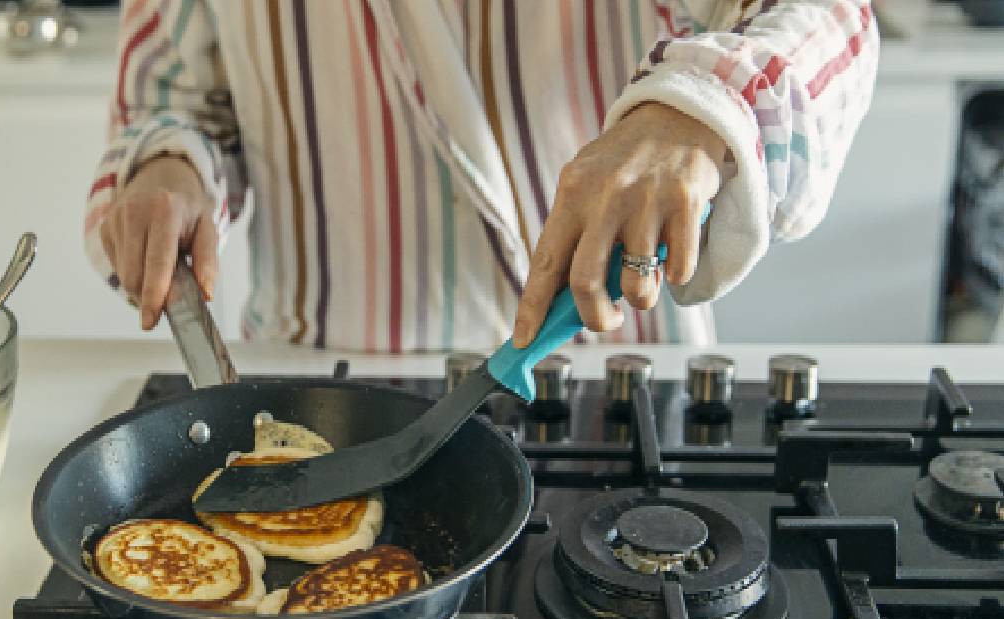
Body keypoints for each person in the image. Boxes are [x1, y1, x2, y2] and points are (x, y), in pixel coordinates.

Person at [85, 0, 877, 351]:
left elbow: (832, 17)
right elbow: (171, 99)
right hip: (323, 379)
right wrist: (168, 168)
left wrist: (697, 108)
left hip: (616, 366)